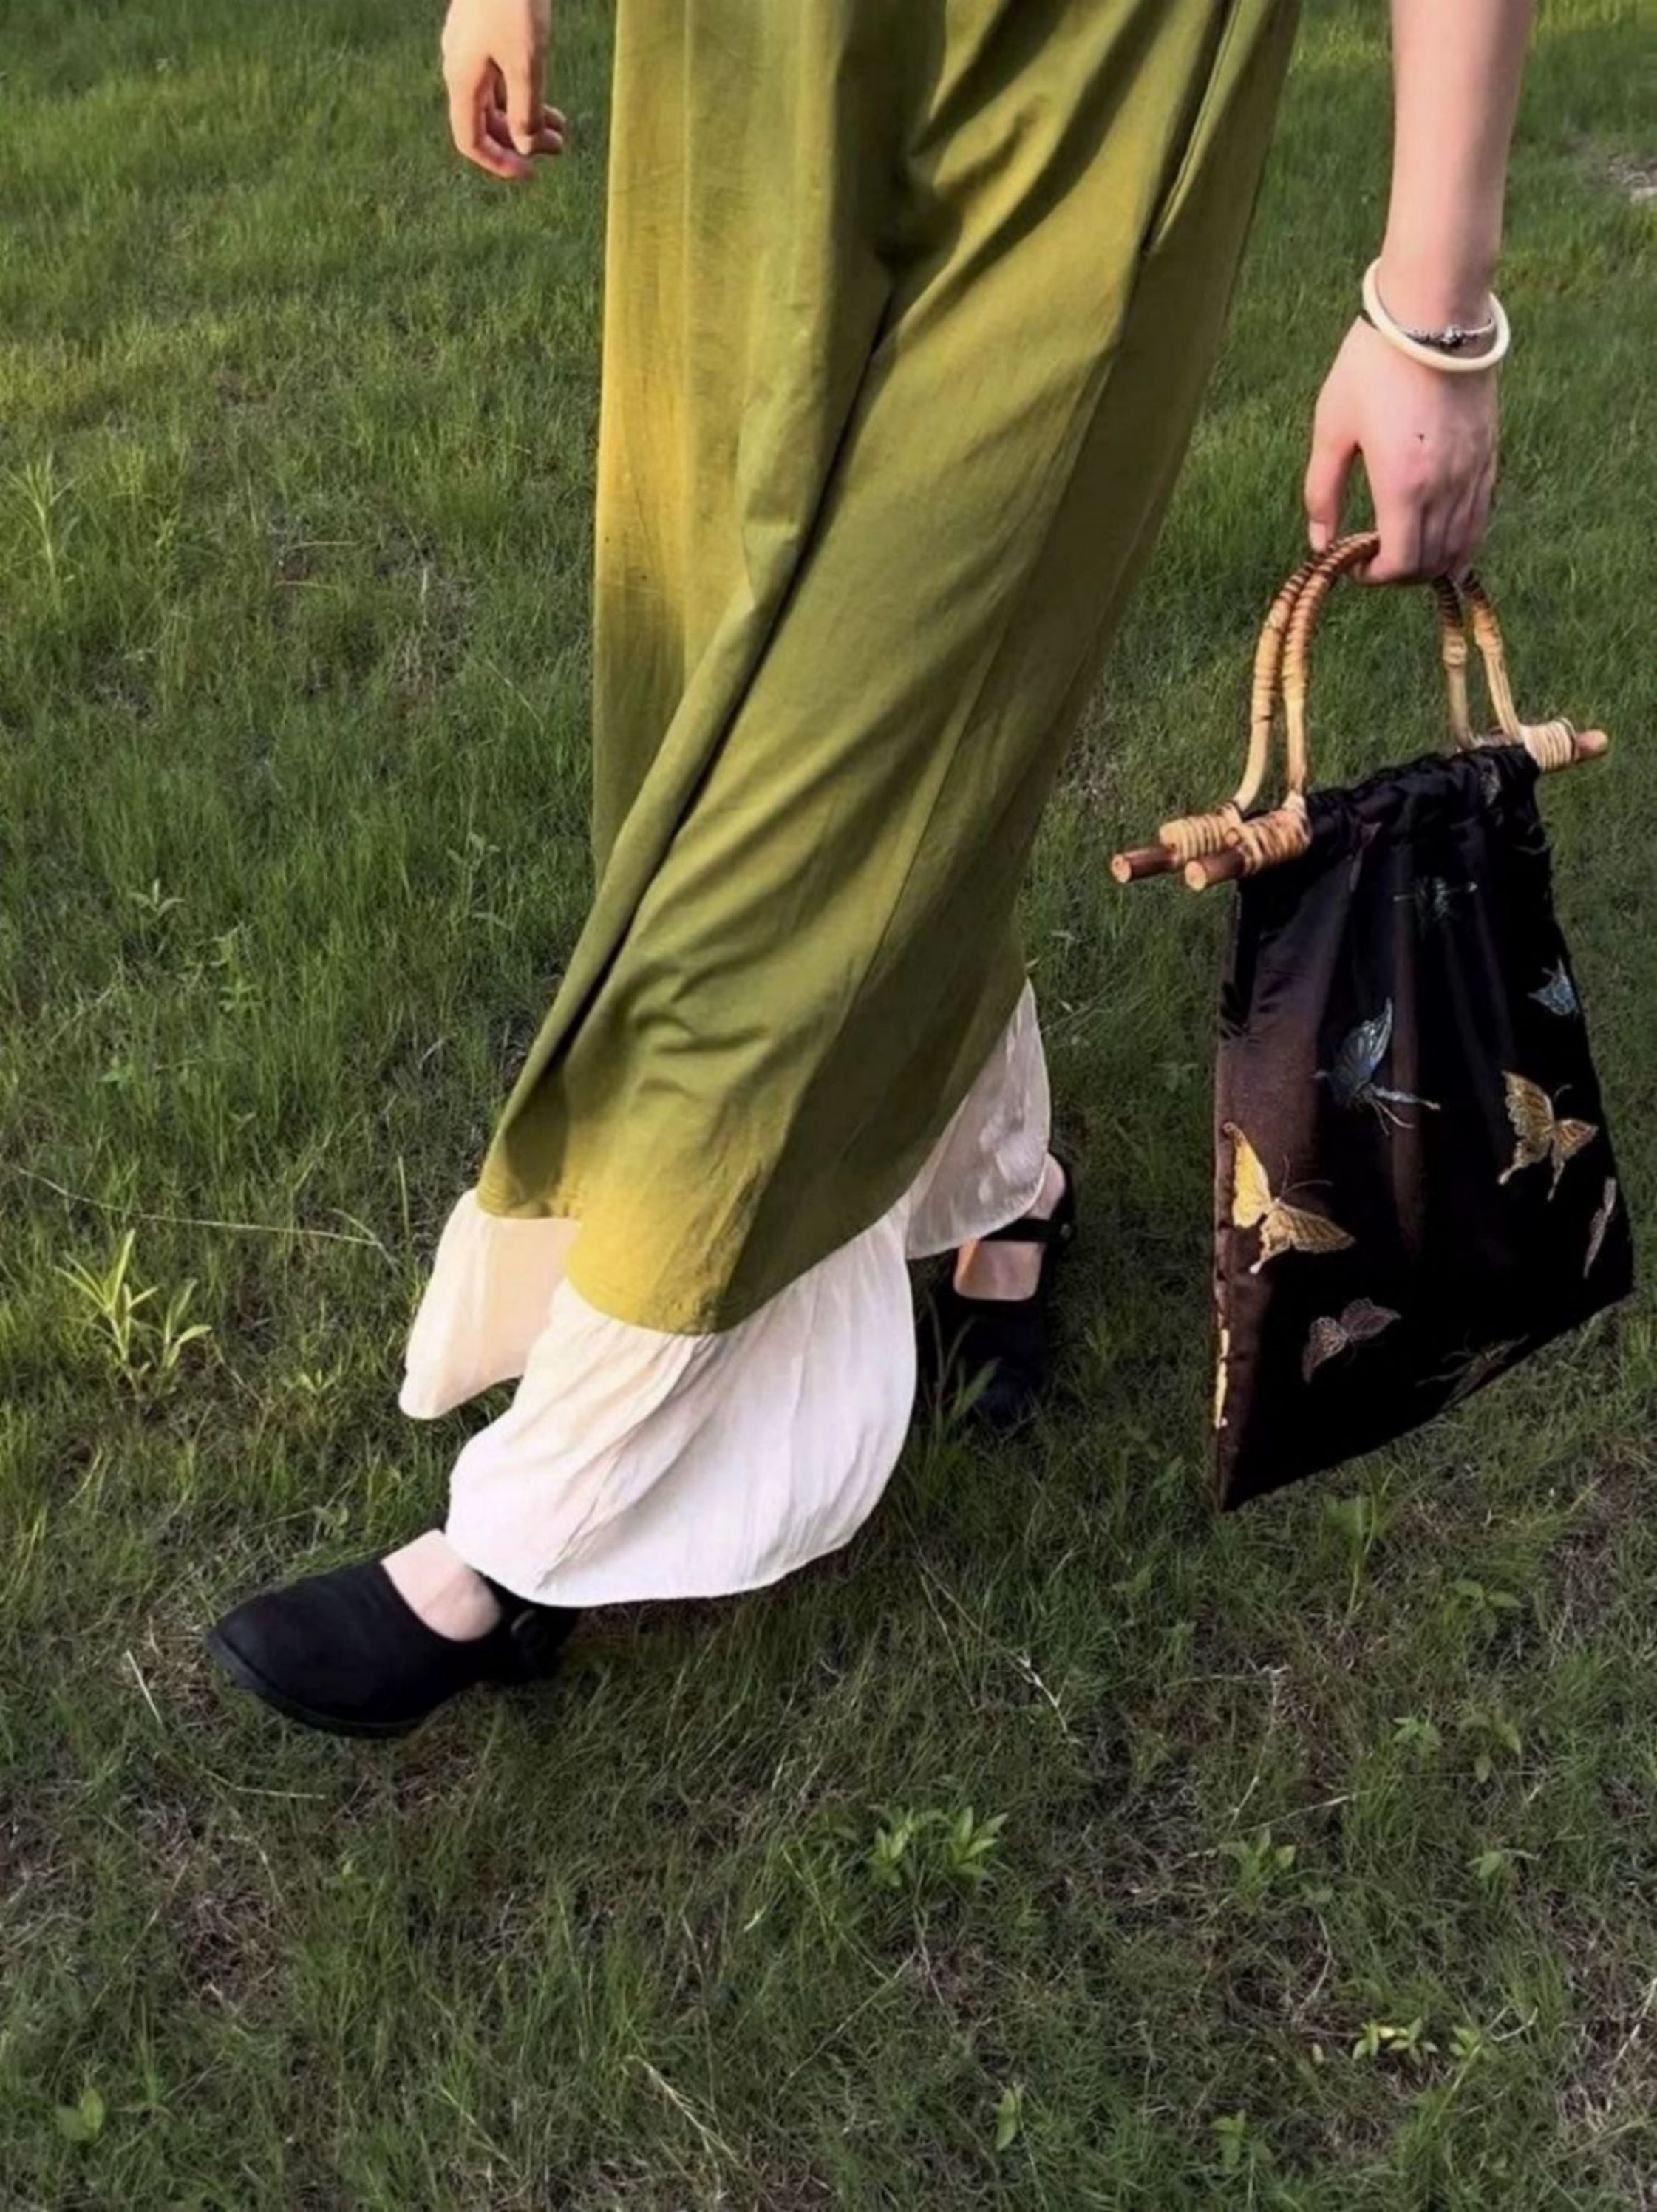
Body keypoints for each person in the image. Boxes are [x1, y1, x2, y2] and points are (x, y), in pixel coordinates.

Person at [206, 0, 1526, 1738]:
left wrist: (1431, 307)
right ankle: (999, 1187)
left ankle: (521, 1539)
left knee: (822, 812)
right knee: (716, 710)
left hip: (1096, 88)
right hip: (748, 65)